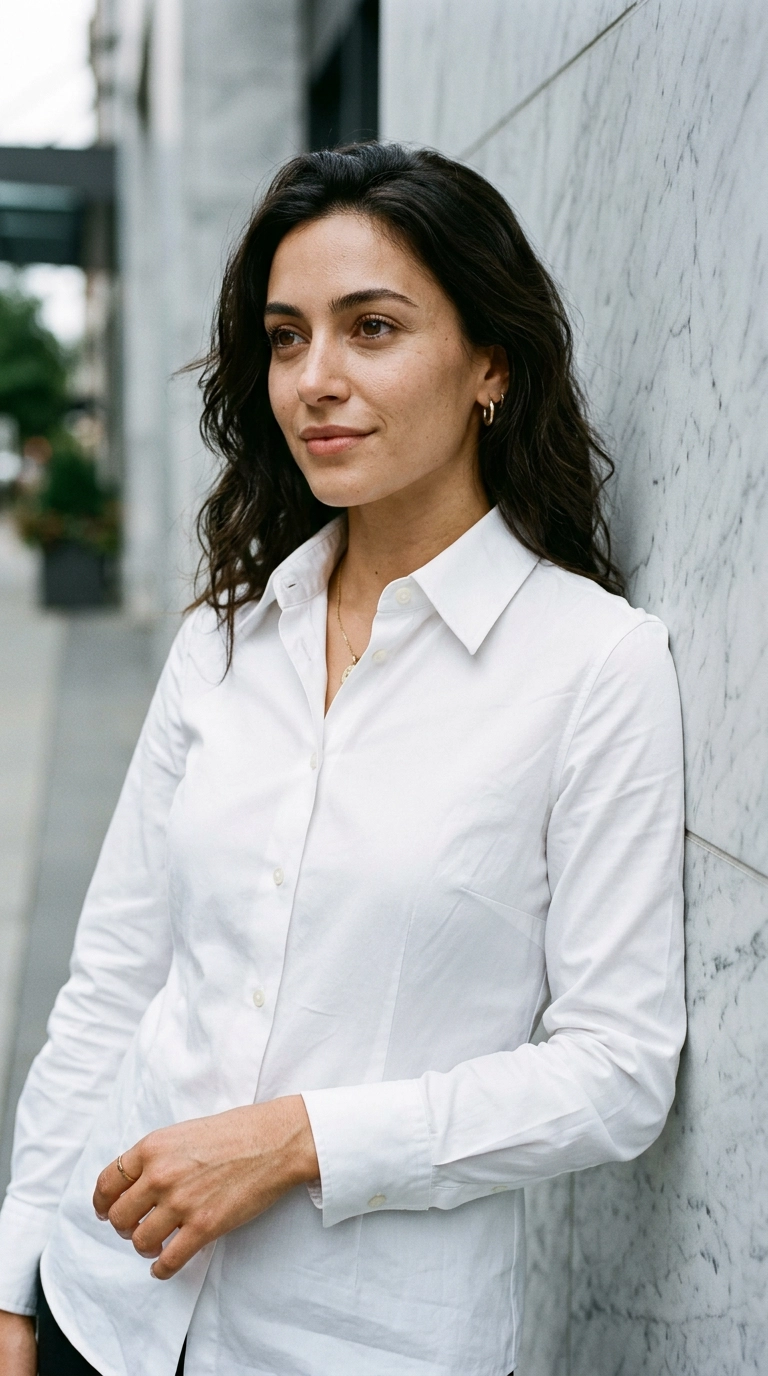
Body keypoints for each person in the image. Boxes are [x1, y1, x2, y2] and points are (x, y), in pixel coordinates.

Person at [0, 142, 685, 1376]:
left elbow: (618, 1070)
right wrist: (12, 1274)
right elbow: (113, 977)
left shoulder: (593, 664)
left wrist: (301, 1138)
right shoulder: (226, 633)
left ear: (492, 364)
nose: (315, 378)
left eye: (371, 327)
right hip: (96, 1306)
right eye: (284, 335)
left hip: (354, 1345)